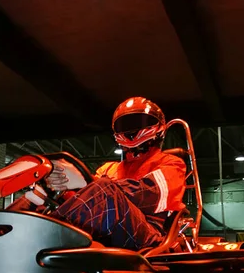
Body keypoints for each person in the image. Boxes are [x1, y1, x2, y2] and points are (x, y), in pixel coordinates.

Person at [17, 97, 187, 251]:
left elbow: (148, 193)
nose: (132, 129)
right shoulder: (108, 168)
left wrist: (86, 181)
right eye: (126, 125)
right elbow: (86, 201)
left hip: (149, 234)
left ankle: (35, 241)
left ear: (158, 126)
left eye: (139, 122)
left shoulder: (171, 163)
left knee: (104, 188)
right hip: (110, 229)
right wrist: (58, 188)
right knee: (43, 193)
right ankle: (5, 229)